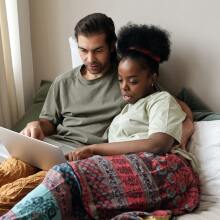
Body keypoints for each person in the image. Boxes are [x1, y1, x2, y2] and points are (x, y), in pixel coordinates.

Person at [0, 24, 200, 220]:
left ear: (112, 46)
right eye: (83, 50)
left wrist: (187, 125)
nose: (90, 59)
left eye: (98, 50)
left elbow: (171, 106)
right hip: (51, 148)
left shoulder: (130, 75)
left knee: (35, 187)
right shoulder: (67, 82)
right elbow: (48, 122)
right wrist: (35, 125)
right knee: (10, 170)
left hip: (80, 158)